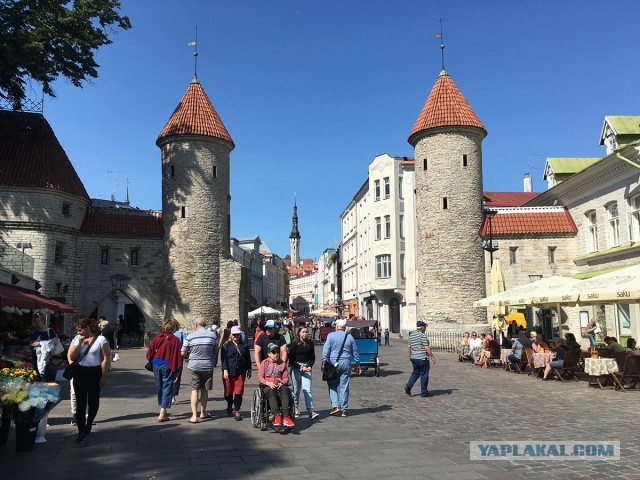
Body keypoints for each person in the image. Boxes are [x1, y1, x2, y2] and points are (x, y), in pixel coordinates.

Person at [67, 317, 109, 443]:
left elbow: (105, 358)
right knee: (80, 403)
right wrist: (79, 344)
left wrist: (103, 376)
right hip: (80, 373)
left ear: (88, 328)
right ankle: (81, 431)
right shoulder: (77, 339)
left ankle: (89, 422)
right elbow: (72, 357)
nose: (79, 332)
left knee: (93, 401)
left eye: (80, 330)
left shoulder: (101, 339)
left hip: (95, 372)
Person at [181, 316, 217, 423]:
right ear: (205, 325)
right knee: (204, 390)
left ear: (196, 325)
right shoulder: (212, 335)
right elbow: (215, 350)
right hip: (207, 365)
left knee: (194, 390)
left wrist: (189, 356)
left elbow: (182, 352)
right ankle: (203, 412)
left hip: (194, 365)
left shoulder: (190, 336)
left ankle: (194, 416)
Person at [146, 319, 183, 422]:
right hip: (167, 364)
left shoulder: (158, 337)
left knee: (159, 386)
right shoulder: (175, 340)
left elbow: (150, 352)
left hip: (156, 363)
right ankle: (163, 411)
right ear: (173, 328)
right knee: (167, 386)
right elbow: (177, 357)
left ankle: (163, 408)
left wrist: (152, 360)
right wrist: (176, 371)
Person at [322, 319, 360, 417]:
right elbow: (355, 351)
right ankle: (344, 409)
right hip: (346, 362)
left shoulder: (331, 336)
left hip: (333, 363)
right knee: (344, 386)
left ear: (337, 327)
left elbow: (326, 350)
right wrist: (358, 363)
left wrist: (323, 362)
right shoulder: (350, 337)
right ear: (344, 327)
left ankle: (336, 406)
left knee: (332, 384)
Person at [258, 342, 294, 428]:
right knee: (271, 391)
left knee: (285, 390)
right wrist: (268, 383)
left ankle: (286, 417)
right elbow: (260, 377)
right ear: (269, 354)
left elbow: (286, 377)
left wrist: (282, 383)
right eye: (274, 352)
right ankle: (276, 415)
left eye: (278, 352)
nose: (276, 354)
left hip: (279, 384)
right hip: (267, 385)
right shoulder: (264, 363)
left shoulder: (282, 364)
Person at [220, 325, 252, 421]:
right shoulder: (226, 346)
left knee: (238, 392)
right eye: (234, 335)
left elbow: (248, 359)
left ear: (240, 335)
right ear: (231, 335)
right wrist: (225, 369)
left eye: (237, 335)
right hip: (228, 371)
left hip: (240, 372)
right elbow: (223, 359)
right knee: (228, 393)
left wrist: (249, 369)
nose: (236, 336)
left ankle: (237, 411)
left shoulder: (244, 346)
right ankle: (230, 404)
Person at [289, 326, 319, 419]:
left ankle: (310, 411)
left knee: (307, 389)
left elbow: (312, 358)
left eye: (306, 332)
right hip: (296, 368)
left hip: (307, 367)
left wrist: (309, 366)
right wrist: (300, 367)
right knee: (296, 390)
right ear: (299, 333)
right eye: (303, 332)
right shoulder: (294, 344)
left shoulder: (310, 343)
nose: (305, 334)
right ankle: (296, 408)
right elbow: (291, 359)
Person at [404, 321, 436, 396]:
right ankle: (424, 392)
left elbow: (409, 346)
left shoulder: (412, 335)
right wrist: (432, 357)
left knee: (416, 373)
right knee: (424, 374)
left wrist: (410, 355)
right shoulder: (422, 335)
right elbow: (427, 348)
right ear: (422, 328)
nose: (425, 329)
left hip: (414, 358)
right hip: (422, 358)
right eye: (425, 327)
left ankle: (408, 386)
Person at [30, 316, 59, 381]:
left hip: (46, 357)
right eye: (35, 322)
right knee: (37, 374)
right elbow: (31, 342)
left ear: (42, 322)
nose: (36, 323)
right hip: (35, 356)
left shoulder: (49, 331)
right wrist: (31, 345)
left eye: (38, 321)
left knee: (45, 374)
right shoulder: (35, 332)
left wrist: (40, 343)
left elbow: (55, 342)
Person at [172, 323, 187, 405]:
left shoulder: (169, 335)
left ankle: (168, 396)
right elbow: (185, 345)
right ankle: (173, 397)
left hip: (169, 358)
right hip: (178, 358)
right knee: (176, 377)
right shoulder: (182, 334)